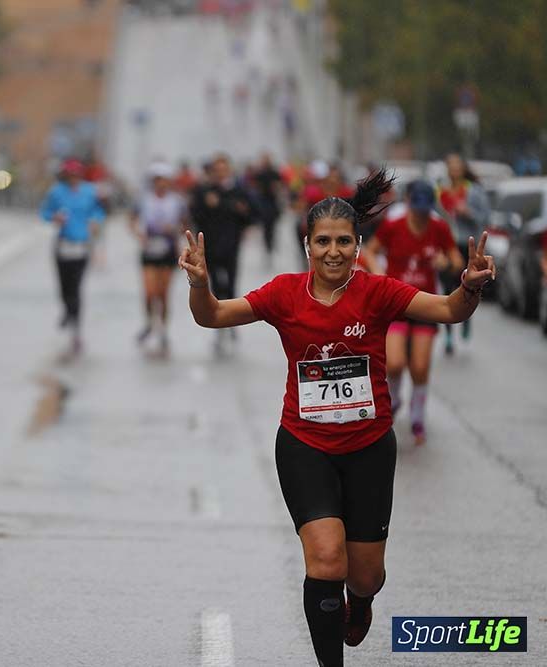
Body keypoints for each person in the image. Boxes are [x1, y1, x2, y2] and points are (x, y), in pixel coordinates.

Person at [178, 168, 495, 666]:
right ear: (307, 244)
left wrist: (470, 287)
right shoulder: (284, 293)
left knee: (365, 574)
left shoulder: (378, 292)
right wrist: (199, 285)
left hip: (368, 446)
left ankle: (361, 602)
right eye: (322, 241)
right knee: (326, 558)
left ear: (357, 244)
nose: (333, 251)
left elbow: (450, 310)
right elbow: (212, 315)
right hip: (306, 445)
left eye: (343, 242)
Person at [361, 181, 462, 445]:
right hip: (395, 302)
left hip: (425, 304)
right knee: (393, 362)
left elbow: (457, 260)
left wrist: (447, 262)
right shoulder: (393, 226)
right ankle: (395, 399)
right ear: (408, 203)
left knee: (419, 365)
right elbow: (368, 252)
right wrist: (377, 271)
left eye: (424, 209)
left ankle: (417, 416)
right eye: (415, 207)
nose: (420, 214)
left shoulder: (438, 227)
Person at [188, 154, 256, 354]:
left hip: (231, 245)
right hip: (210, 246)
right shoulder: (204, 190)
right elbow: (195, 214)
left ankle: (232, 321)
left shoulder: (238, 191)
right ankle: (218, 322)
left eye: (223, 169)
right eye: (217, 170)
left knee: (232, 284)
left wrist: (237, 211)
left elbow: (251, 213)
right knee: (216, 284)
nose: (220, 173)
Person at [39, 159, 106, 358]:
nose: (73, 178)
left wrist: (96, 221)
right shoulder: (56, 192)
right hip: (63, 245)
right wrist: (54, 218)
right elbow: (44, 212)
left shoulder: (90, 191)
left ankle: (76, 329)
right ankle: (67, 310)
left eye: (76, 174)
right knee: (63, 287)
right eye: (70, 175)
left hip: (82, 245)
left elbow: (98, 211)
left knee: (76, 288)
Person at [130, 162, 188, 355]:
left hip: (168, 250)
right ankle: (148, 322)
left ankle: (163, 328)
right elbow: (132, 219)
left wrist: (175, 231)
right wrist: (139, 235)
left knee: (163, 294)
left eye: (164, 181)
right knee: (149, 292)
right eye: (157, 181)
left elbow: (185, 224)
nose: (161, 184)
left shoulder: (177, 201)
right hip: (149, 250)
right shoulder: (144, 200)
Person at [437, 153, 490, 354]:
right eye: (450, 166)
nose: (454, 169)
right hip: (445, 246)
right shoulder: (439, 191)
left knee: (467, 285)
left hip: (466, 245)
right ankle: (449, 333)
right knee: (447, 289)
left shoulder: (473, 191)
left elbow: (485, 216)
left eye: (457, 166)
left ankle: (467, 317)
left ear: (463, 168)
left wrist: (467, 212)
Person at [250, 152, 284, 261]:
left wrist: (276, 187)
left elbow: (280, 185)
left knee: (272, 226)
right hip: (263, 202)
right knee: (266, 227)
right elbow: (255, 186)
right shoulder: (260, 174)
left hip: (272, 202)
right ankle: (267, 245)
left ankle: (271, 243)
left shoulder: (274, 173)